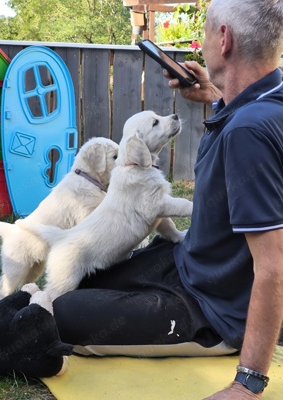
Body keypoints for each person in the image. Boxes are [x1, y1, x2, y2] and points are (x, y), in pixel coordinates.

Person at [53, 0, 283, 398]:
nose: (203, 43)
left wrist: (249, 382)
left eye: (208, 32)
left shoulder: (248, 131)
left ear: (224, 39)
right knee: (80, 283)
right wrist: (214, 93)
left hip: (214, 310)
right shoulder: (260, 104)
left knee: (59, 313)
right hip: (188, 262)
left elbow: (275, 266)